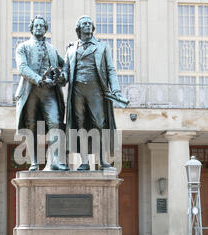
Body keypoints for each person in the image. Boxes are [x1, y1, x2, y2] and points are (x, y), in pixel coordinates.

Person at [61, 15, 128, 171]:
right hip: (77, 91)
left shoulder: (102, 46)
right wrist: (61, 76)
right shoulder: (71, 49)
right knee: (80, 126)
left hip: (96, 90)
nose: (88, 26)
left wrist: (116, 89)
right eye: (84, 24)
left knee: (100, 123)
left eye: (90, 24)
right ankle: (84, 161)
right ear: (78, 28)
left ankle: (102, 160)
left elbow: (111, 69)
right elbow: (66, 71)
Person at [15, 15, 69, 171]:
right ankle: (34, 162)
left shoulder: (52, 49)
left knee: (55, 122)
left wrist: (62, 76)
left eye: (41, 26)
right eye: (36, 25)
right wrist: (39, 79)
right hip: (30, 91)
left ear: (46, 29)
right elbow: (22, 68)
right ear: (31, 28)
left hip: (49, 92)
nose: (38, 28)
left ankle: (56, 161)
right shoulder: (23, 47)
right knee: (30, 126)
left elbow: (65, 65)